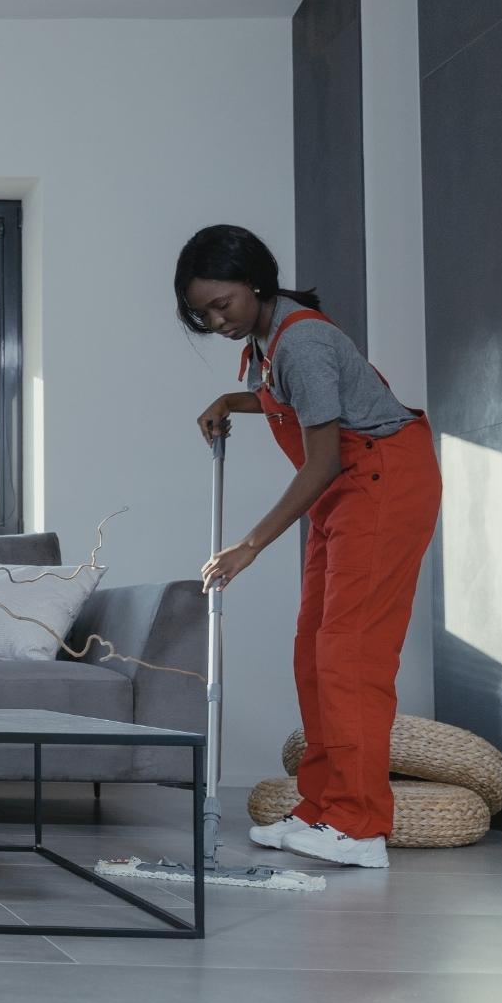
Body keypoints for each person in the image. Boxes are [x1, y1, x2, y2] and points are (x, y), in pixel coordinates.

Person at [177, 224, 440, 869]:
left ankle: (359, 825)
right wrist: (231, 401)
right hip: (347, 489)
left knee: (351, 654)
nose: (216, 321)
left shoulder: (306, 342)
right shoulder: (267, 341)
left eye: (223, 304)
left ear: (256, 282)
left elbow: (321, 459)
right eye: (202, 313)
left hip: (379, 481)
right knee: (314, 649)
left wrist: (250, 545)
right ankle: (323, 808)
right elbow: (286, 403)